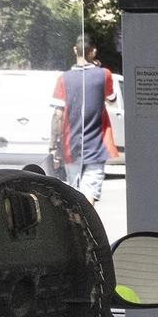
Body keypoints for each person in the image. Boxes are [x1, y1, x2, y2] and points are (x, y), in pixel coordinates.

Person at [51, 34, 116, 203]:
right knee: (89, 194)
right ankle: (87, 227)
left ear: (75, 50)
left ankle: (75, 228)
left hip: (71, 147)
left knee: (73, 194)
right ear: (93, 51)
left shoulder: (63, 79)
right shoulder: (104, 74)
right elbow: (112, 98)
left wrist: (54, 146)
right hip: (96, 146)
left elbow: (57, 115)